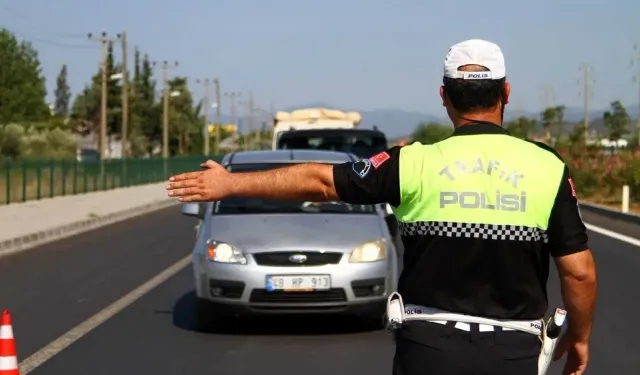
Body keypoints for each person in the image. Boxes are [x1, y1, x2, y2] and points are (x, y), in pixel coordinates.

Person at [166, 39, 597, 375]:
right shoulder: (547, 168)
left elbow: (319, 181)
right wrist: (579, 336)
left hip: (429, 352)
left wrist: (229, 183)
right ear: (505, 92)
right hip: (514, 354)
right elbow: (578, 271)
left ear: (444, 96)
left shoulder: (411, 162)